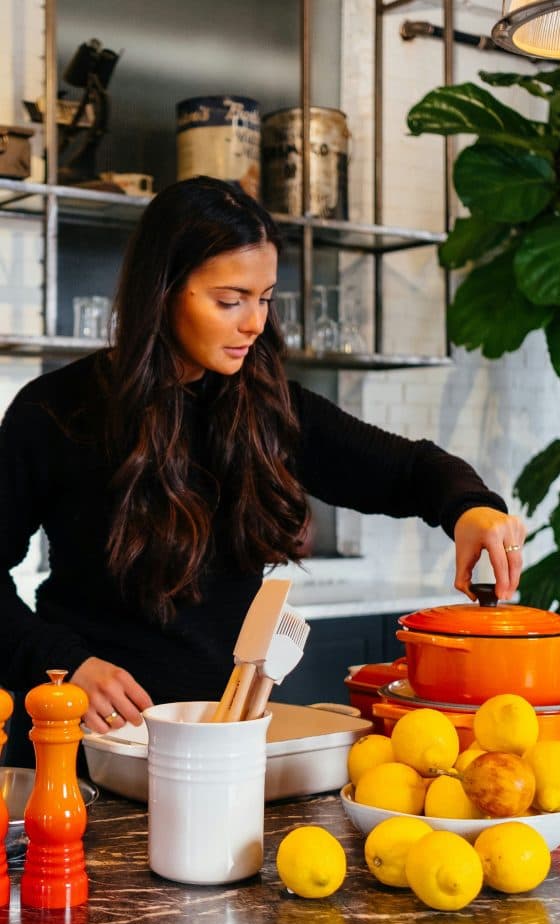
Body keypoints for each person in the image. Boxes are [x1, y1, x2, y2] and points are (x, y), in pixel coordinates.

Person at [0, 176, 525, 764]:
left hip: (218, 751)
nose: (254, 322)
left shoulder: (268, 409)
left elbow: (408, 470)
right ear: (163, 291)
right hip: (77, 753)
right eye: (230, 300)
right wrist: (67, 664)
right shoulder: (55, 413)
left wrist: (471, 507)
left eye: (265, 297)